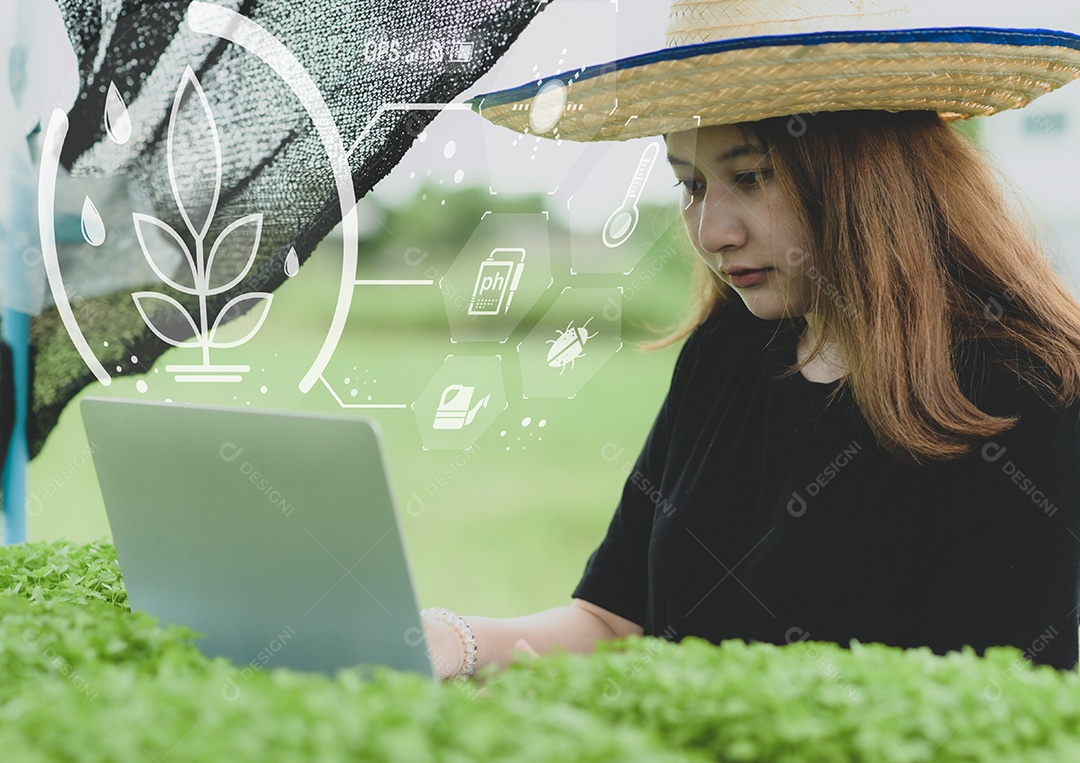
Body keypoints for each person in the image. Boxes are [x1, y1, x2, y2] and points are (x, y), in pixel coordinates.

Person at [422, 0, 1080, 678]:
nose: (713, 231)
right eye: (692, 184)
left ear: (865, 167)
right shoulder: (727, 347)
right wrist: (450, 640)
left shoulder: (1028, 387)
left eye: (750, 175)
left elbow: (983, 712)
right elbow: (615, 620)